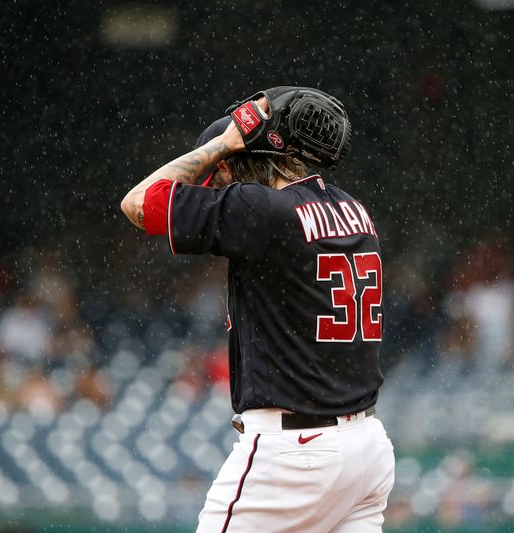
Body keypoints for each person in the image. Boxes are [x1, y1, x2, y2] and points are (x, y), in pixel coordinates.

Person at [120, 92, 394, 532]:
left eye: (217, 177)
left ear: (232, 164)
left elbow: (138, 203)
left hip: (294, 453)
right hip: (366, 448)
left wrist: (223, 143)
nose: (213, 187)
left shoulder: (261, 209)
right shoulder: (352, 208)